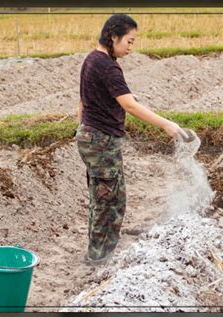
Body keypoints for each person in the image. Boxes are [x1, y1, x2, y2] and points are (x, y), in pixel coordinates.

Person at [75, 13, 188, 265]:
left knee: (103, 195)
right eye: (129, 41)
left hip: (90, 137)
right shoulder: (108, 66)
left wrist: (81, 129)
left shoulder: (91, 60)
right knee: (110, 200)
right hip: (100, 140)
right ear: (112, 36)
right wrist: (166, 124)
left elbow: (84, 100)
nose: (130, 47)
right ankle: (99, 256)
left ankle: (99, 251)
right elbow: (129, 106)